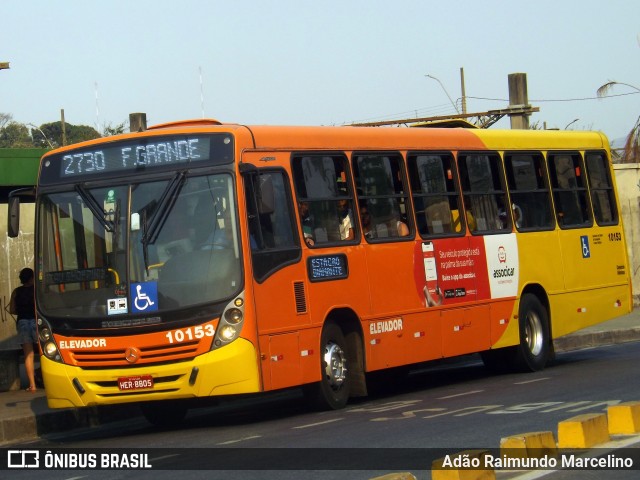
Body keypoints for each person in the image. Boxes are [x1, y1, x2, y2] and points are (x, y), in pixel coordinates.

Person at [9, 267, 38, 392]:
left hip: (23, 322)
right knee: (44, 353)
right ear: (32, 278)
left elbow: (12, 310)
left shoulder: (16, 291)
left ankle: (32, 385)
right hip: (37, 322)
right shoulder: (37, 290)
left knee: (28, 355)